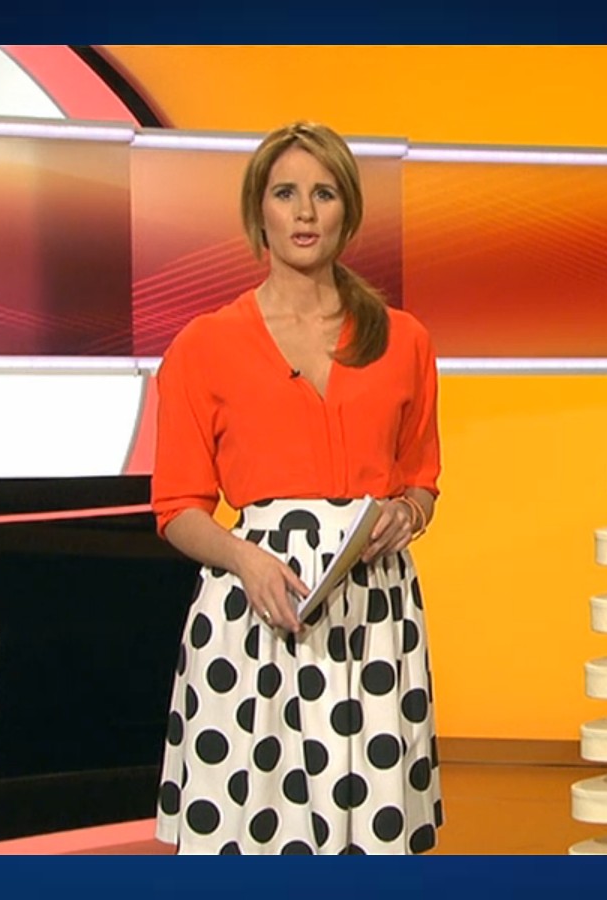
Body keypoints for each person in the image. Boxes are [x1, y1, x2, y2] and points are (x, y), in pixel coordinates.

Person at [150, 121, 442, 855]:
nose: (305, 213)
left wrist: (408, 513)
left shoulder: (403, 339)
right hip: (254, 608)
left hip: (372, 612)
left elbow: (422, 482)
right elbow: (176, 508)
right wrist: (244, 560)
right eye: (285, 194)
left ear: (349, 211)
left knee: (368, 831)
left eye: (324, 194)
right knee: (252, 829)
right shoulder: (204, 345)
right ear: (260, 211)